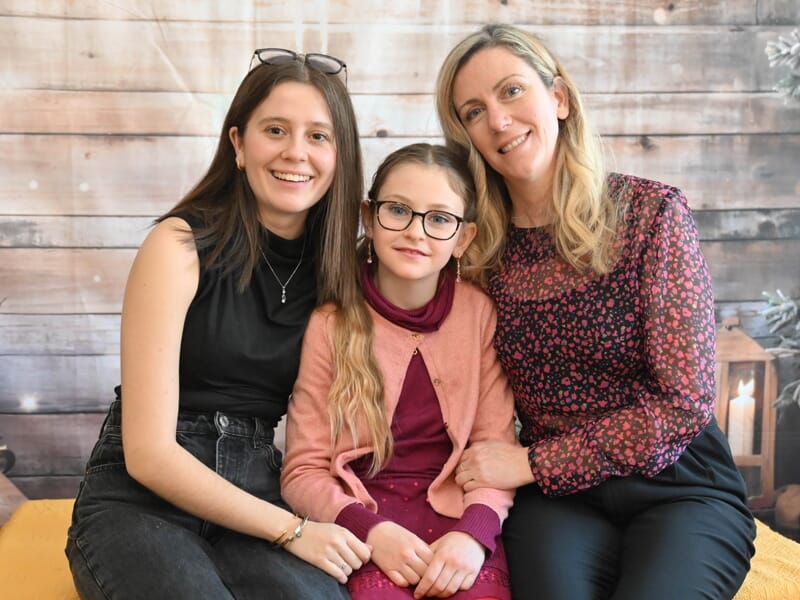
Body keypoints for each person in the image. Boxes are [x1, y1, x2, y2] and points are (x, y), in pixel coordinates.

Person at [435, 24, 756, 600]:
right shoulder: (476, 250)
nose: (499, 120)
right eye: (474, 112)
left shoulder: (652, 215)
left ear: (558, 97)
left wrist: (533, 464)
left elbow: (683, 403)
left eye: (512, 91)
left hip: (680, 484)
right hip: (561, 505)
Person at [65, 48, 371, 600]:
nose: (295, 152)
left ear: (340, 156)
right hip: (141, 499)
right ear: (238, 144)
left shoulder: (340, 272)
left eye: (318, 136)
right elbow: (149, 454)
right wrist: (293, 530)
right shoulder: (179, 245)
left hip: (257, 488)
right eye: (275, 130)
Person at [280, 142, 518, 600]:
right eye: (398, 210)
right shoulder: (331, 324)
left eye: (439, 218)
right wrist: (370, 530)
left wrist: (474, 534)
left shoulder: (478, 315)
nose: (415, 232)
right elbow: (303, 471)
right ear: (369, 218)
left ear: (463, 237)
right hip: (365, 521)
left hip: (460, 518)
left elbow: (495, 451)